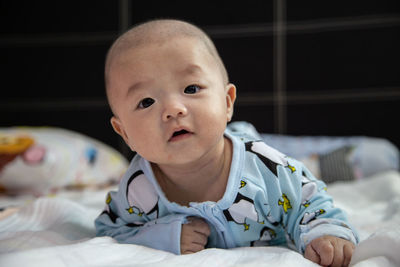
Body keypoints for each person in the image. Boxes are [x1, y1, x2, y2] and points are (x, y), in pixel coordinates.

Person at [95, 19, 358, 266]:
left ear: (227, 101)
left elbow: (311, 203)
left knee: (281, 158)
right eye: (146, 102)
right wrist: (165, 236)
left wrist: (326, 235)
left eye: (191, 89)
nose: (173, 110)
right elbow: (112, 230)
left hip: (249, 150)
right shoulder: (137, 189)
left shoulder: (266, 167)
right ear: (125, 133)